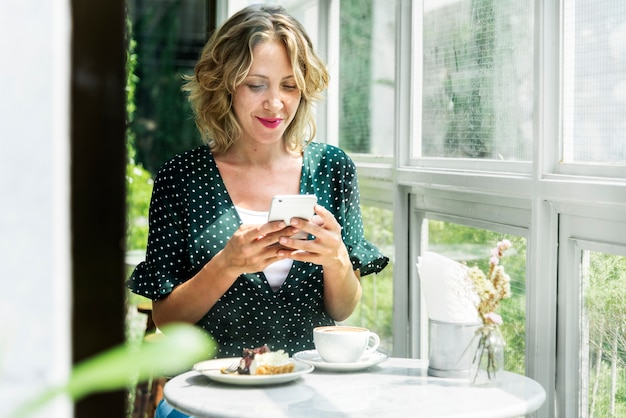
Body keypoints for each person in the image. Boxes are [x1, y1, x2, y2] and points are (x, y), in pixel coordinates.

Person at [127, 4, 388, 416]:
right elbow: (166, 320)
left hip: (309, 400)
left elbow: (343, 309)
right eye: (256, 85)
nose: (275, 104)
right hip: (206, 402)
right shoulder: (181, 177)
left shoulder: (333, 168)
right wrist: (226, 264)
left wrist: (337, 259)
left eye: (289, 85)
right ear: (225, 85)